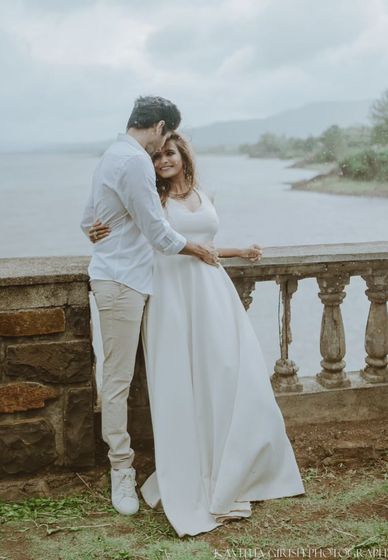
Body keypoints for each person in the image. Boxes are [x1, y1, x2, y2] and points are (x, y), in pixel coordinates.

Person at [88, 132, 305, 538]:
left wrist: (242, 251)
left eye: (169, 153)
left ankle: (239, 460)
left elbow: (205, 246)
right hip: (172, 297)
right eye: (156, 156)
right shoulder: (151, 199)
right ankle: (191, 470)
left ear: (184, 156)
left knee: (228, 372)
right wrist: (96, 229)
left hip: (212, 292)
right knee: (182, 380)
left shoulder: (204, 194)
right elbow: (130, 230)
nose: (162, 161)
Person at [80, 97, 219, 517]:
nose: (162, 150)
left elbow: (88, 218)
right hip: (122, 282)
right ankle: (121, 470)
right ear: (159, 126)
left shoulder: (111, 154)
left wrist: (96, 230)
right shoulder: (136, 160)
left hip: (128, 278)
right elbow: (157, 231)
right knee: (119, 380)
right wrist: (196, 248)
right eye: (164, 137)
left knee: (140, 375)